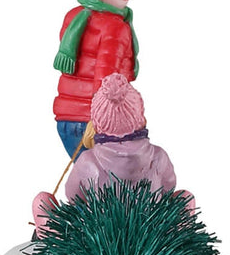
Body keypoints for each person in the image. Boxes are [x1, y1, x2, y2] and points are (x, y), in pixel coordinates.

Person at [33, 74, 194, 238]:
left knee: (42, 201)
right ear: (141, 116)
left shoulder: (87, 161)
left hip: (99, 237)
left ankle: (53, 239)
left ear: (95, 123)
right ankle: (179, 239)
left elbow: (73, 197)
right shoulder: (159, 156)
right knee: (185, 197)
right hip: (151, 235)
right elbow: (168, 188)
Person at [52, 0, 139, 159]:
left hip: (66, 119)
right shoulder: (115, 26)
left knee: (87, 176)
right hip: (96, 121)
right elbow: (106, 78)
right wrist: (100, 119)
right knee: (109, 179)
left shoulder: (74, 17)